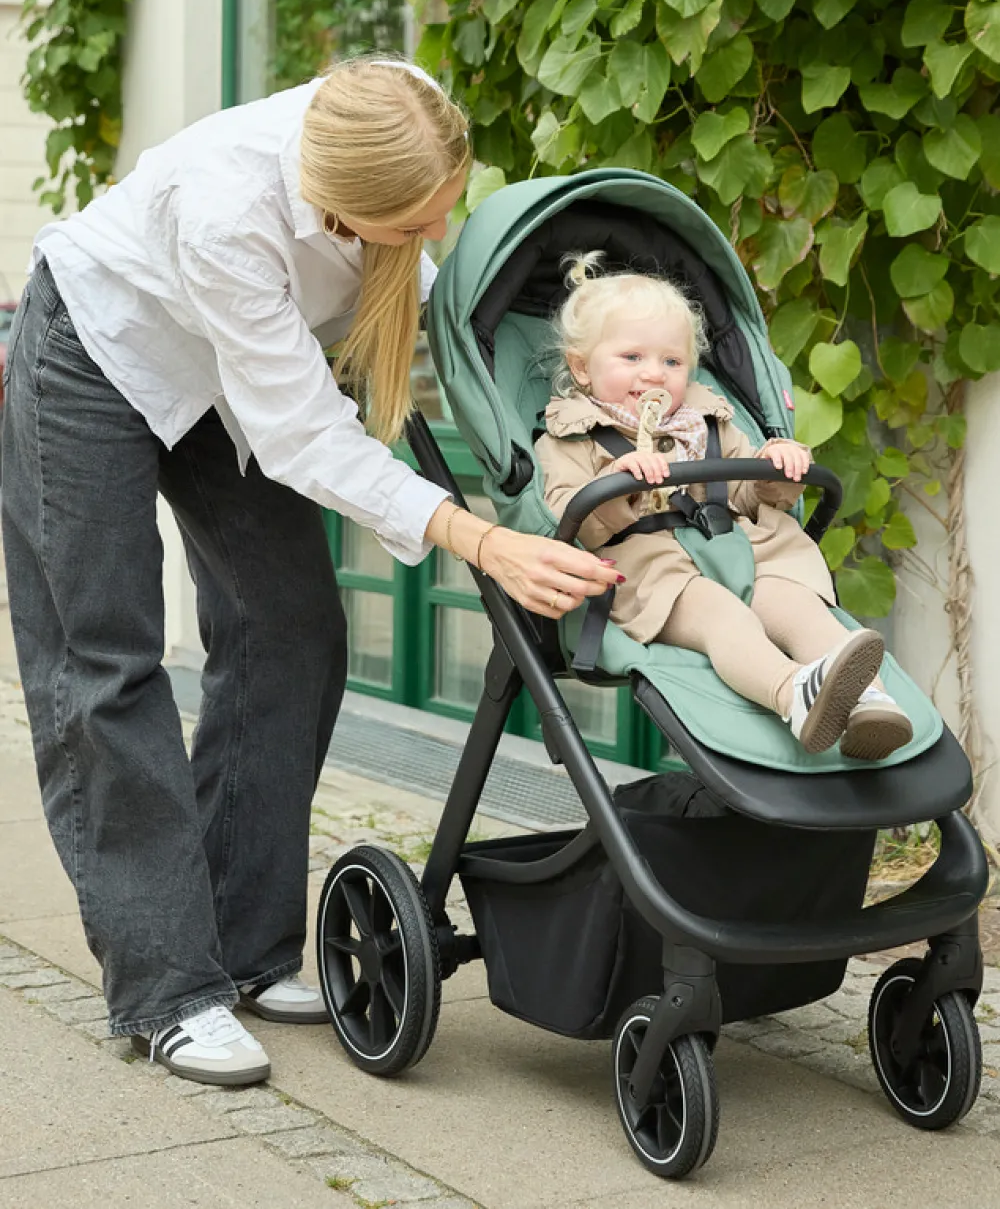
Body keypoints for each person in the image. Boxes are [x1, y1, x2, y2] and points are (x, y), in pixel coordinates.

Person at [0, 57, 617, 1088]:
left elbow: (422, 310)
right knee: (105, 658)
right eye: (414, 223)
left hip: (228, 372)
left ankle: (246, 948)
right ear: (344, 209)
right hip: (97, 350)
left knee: (291, 623)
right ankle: (169, 989)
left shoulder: (398, 110)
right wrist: (476, 536)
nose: (432, 236)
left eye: (442, 210)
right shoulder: (226, 213)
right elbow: (301, 434)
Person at [535, 252, 913, 763]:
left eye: (671, 362)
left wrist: (774, 470)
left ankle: (868, 699)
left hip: (740, 551)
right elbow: (566, 519)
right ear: (582, 368)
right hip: (655, 575)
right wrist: (617, 481)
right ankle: (792, 695)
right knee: (724, 618)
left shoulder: (706, 418)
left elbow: (742, 493)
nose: (654, 375)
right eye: (632, 358)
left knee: (795, 603)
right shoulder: (569, 436)